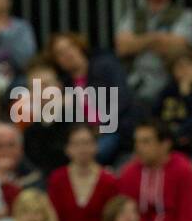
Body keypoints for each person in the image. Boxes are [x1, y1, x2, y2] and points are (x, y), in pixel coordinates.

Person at [45, 32, 134, 165]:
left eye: (70, 47)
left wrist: (103, 122)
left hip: (114, 128)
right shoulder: (65, 84)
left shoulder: (105, 66)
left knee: (90, 155)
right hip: (85, 136)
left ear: (79, 47)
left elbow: (122, 97)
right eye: (60, 53)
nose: (67, 54)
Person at [114, 0, 192, 111]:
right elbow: (122, 47)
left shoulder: (186, 15)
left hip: (171, 87)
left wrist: (139, 41)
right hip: (134, 87)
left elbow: (180, 46)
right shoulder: (132, 15)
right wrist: (158, 38)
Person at [47, 125, 119, 221]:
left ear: (95, 146)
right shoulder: (57, 179)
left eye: (86, 143)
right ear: (68, 148)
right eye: (76, 144)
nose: (82, 149)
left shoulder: (109, 181)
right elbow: (51, 219)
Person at [155, 49, 192, 157]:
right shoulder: (168, 91)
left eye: (189, 66)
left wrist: (187, 95)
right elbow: (155, 113)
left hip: (191, 138)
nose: (185, 71)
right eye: (180, 67)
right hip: (167, 134)